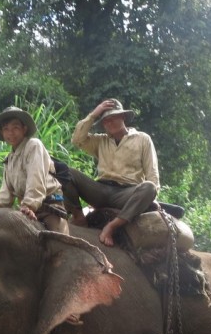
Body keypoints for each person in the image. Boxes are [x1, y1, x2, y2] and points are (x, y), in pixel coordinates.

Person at [68, 98, 161, 247]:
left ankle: (112, 226)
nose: (109, 123)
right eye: (105, 120)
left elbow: (153, 176)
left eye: (113, 118)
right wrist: (94, 114)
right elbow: (77, 140)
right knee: (65, 171)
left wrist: (152, 195)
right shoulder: (100, 141)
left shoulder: (143, 139)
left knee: (149, 187)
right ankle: (79, 218)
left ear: (123, 117)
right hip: (100, 190)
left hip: (127, 192)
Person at [0, 106, 69, 235]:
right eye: (6, 129)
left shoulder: (33, 145)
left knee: (60, 242)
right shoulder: (9, 159)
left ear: (24, 129)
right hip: (24, 208)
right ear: (3, 134)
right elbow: (5, 194)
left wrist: (29, 205)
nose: (11, 133)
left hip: (49, 204)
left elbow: (35, 179)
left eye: (15, 128)